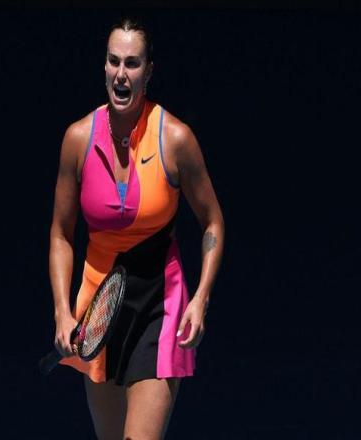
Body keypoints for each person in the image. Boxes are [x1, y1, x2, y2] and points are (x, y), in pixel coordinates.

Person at [49, 17, 225, 440]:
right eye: (114, 62)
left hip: (158, 306)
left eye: (132, 63)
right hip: (99, 309)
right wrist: (62, 311)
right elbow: (60, 234)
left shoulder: (176, 139)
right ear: (104, 67)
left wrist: (200, 298)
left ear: (148, 72)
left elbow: (213, 222)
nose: (121, 74)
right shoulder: (78, 139)